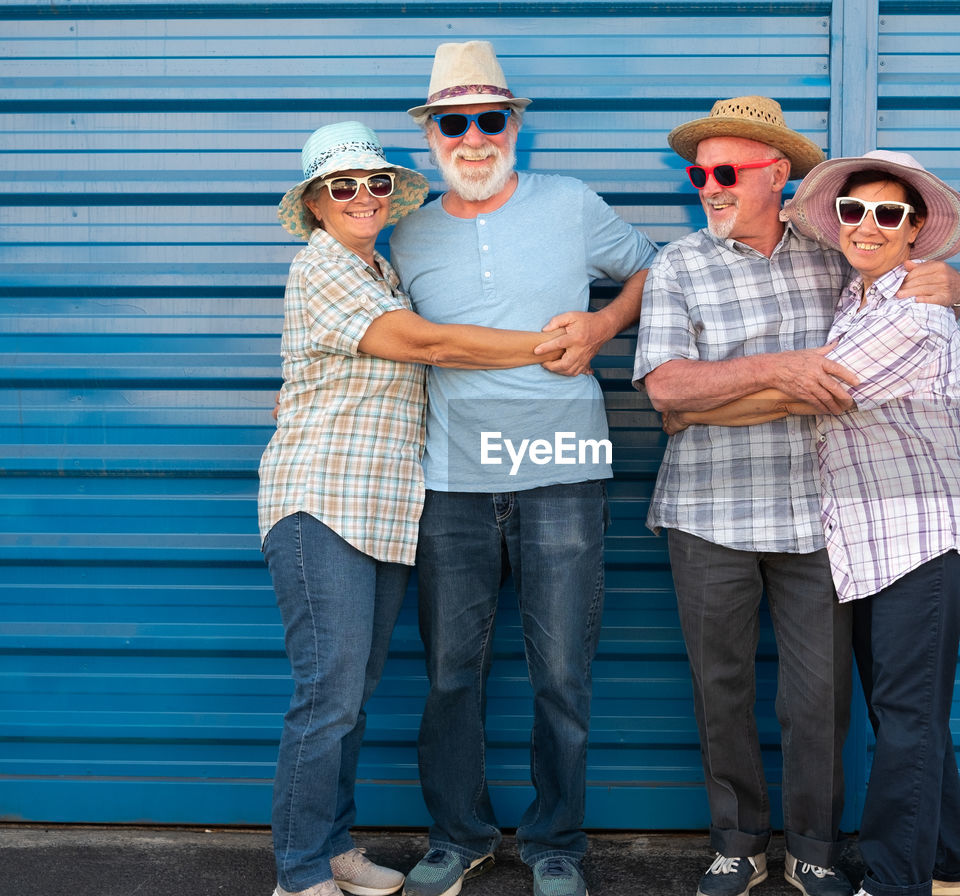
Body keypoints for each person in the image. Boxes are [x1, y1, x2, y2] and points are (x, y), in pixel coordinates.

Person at [632, 98, 960, 896]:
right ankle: (737, 842)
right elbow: (666, 386)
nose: (708, 188)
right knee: (720, 687)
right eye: (699, 173)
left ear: (776, 174)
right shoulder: (680, 263)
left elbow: (902, 284)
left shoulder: (832, 250)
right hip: (706, 509)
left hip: (821, 517)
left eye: (726, 173)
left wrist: (955, 286)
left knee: (818, 698)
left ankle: (815, 847)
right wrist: (779, 370)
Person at [260, 120, 568, 896]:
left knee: (351, 696)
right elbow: (430, 347)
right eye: (342, 186)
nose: (362, 196)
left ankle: (333, 848)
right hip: (321, 503)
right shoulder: (323, 269)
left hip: (383, 511)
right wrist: (550, 344)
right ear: (317, 206)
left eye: (374, 183)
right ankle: (298, 872)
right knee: (327, 692)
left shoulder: (381, 273)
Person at [387, 42, 658, 896]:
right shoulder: (406, 229)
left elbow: (657, 270)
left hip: (562, 473)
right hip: (451, 483)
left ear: (514, 127)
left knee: (564, 674)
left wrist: (605, 325)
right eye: (452, 123)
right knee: (449, 674)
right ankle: (458, 835)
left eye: (489, 119)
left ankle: (556, 844)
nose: (473, 138)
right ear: (430, 136)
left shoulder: (571, 204)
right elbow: (381, 340)